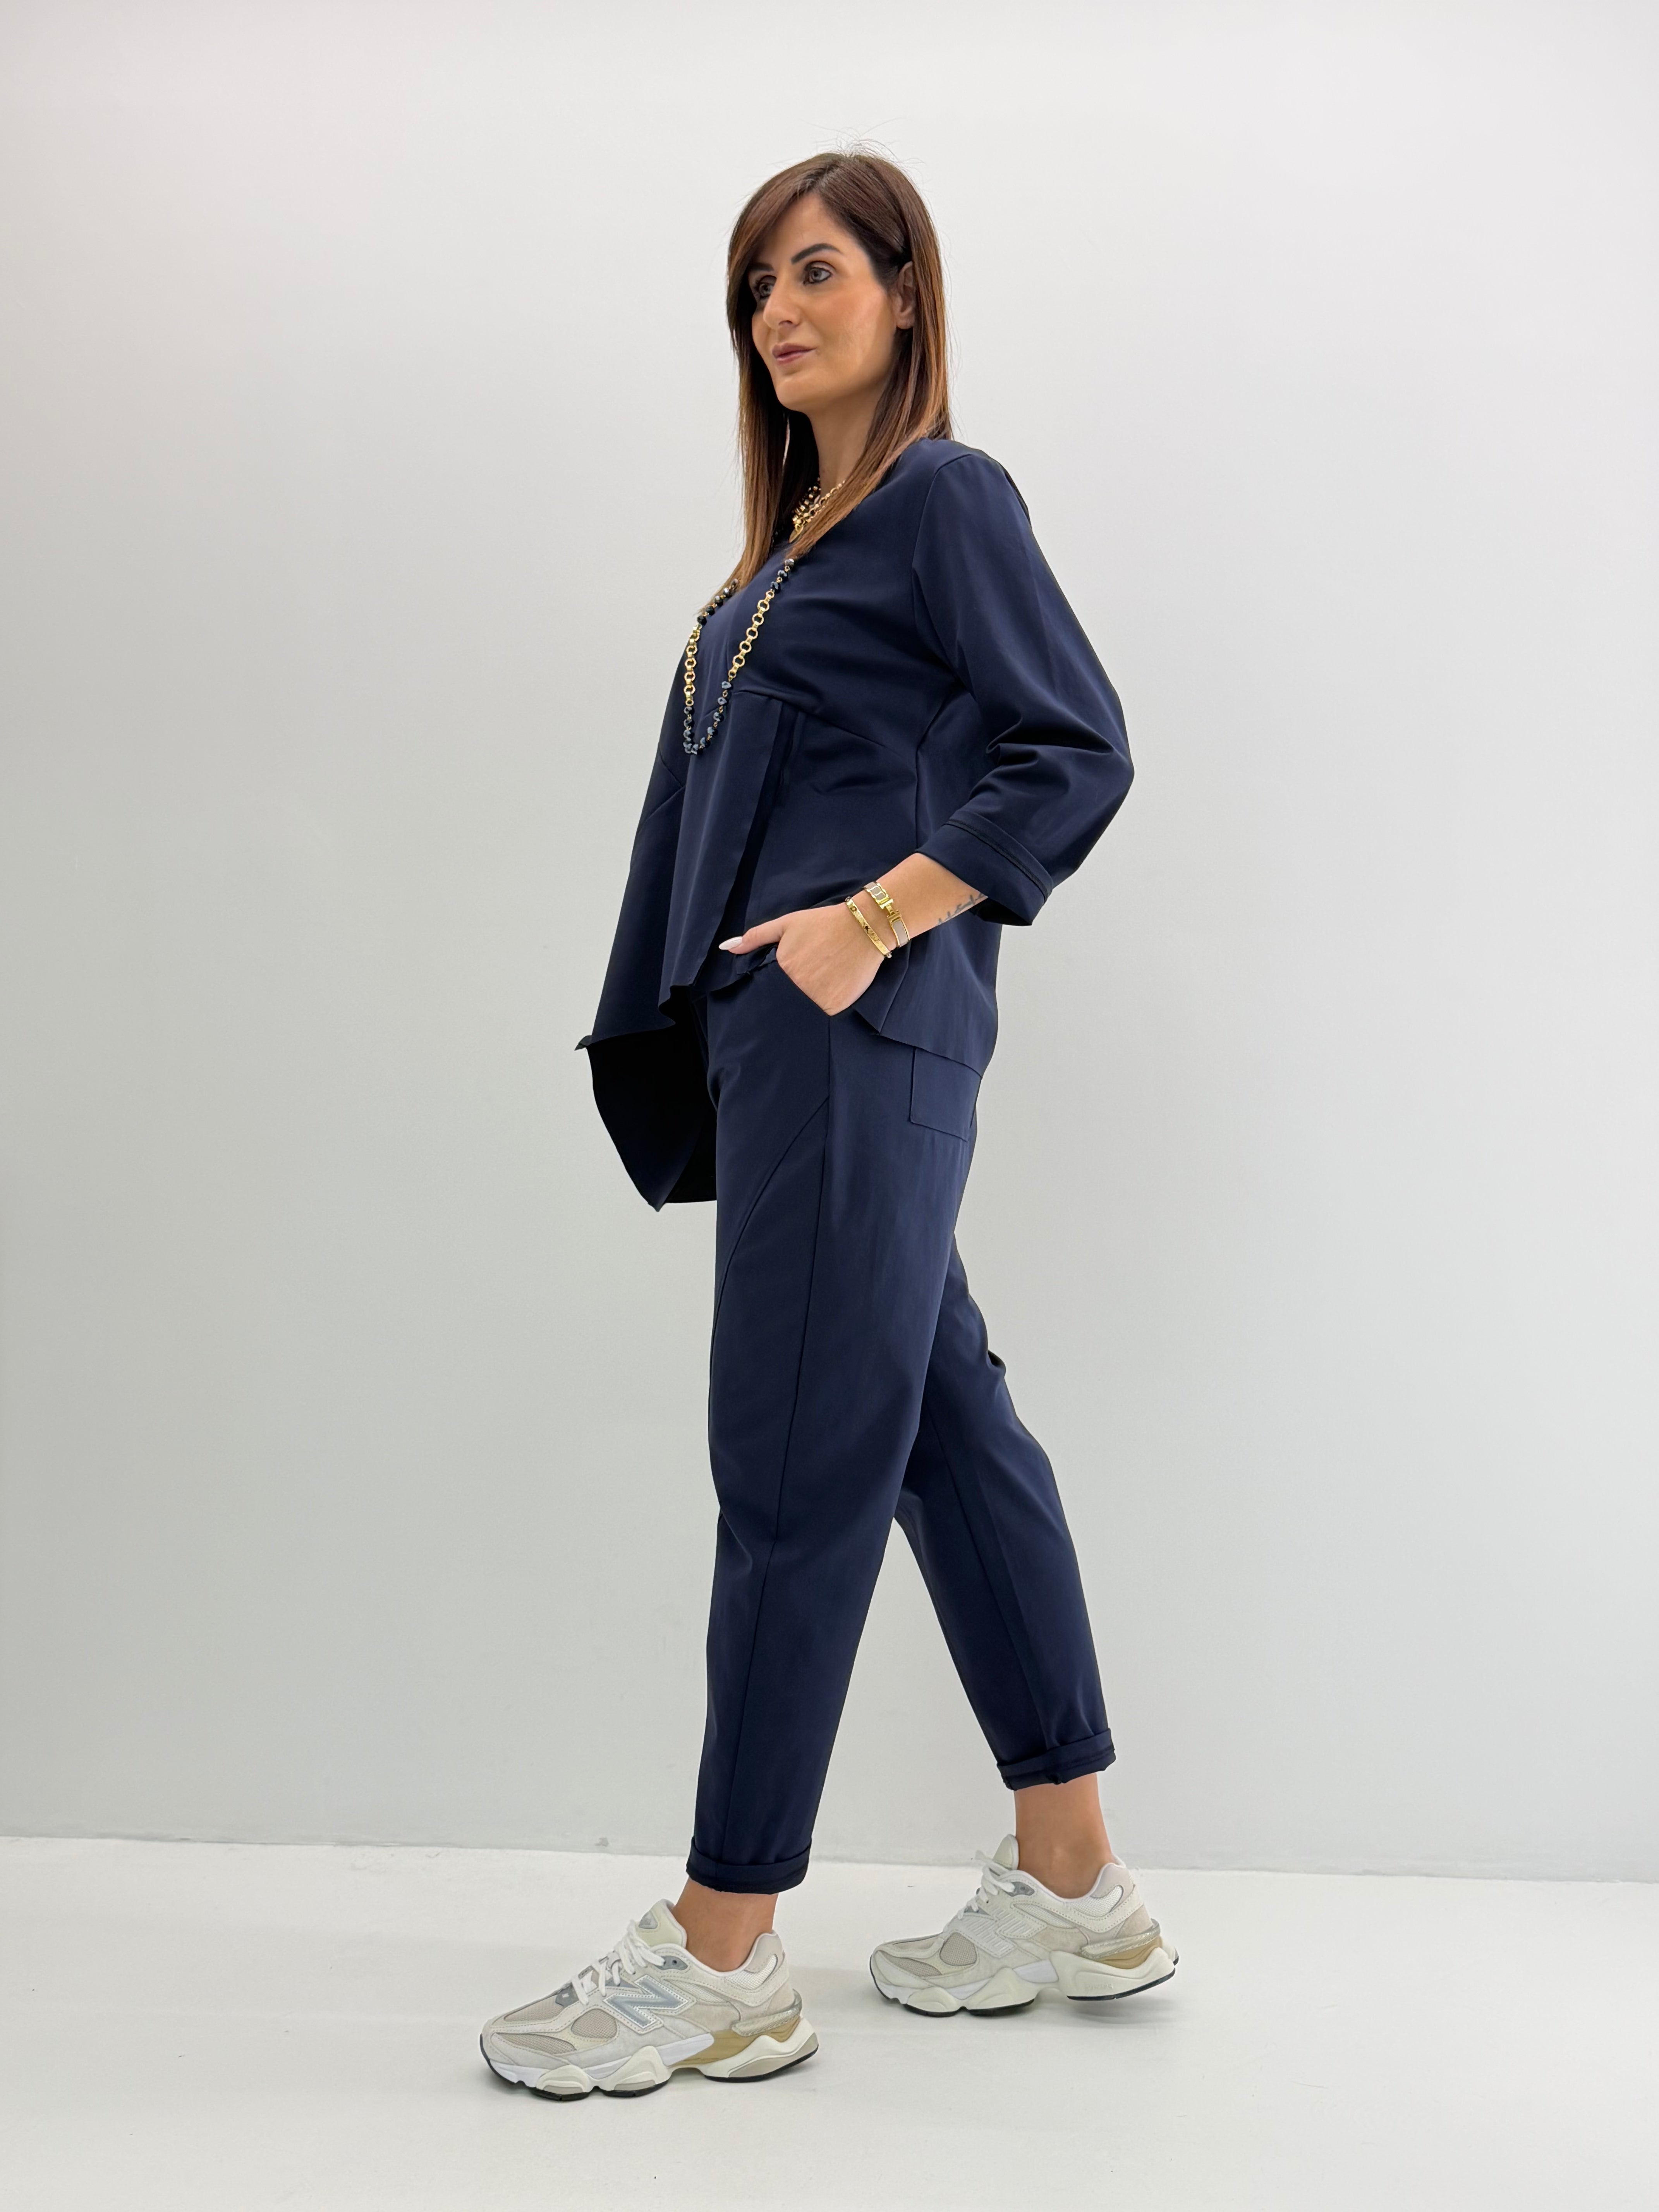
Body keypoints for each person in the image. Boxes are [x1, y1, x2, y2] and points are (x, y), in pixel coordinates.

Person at [481, 150, 1173, 2102]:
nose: (777, 314)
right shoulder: (783, 556)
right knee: (947, 1434)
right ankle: (1074, 1882)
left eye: (814, 274)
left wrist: (867, 922)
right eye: (755, 289)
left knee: (790, 1460)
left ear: (904, 294)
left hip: (856, 1027)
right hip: (790, 1039)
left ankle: (723, 1951)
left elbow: (1078, 743)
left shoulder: (945, 498)